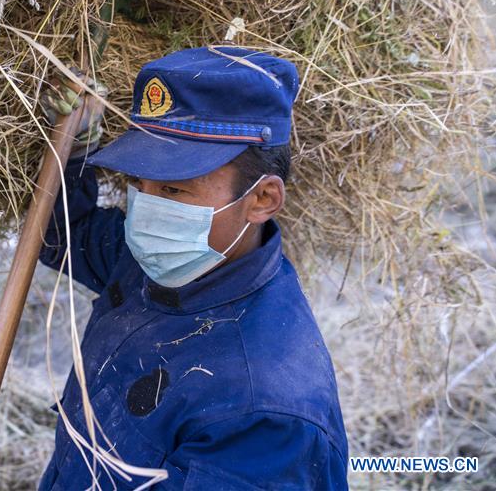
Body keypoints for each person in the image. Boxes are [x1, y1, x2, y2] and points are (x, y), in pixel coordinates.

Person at [37, 46, 349, 490]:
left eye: (174, 189)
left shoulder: (264, 414)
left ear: (263, 199)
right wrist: (74, 147)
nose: (145, 210)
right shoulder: (151, 260)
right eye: (136, 184)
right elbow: (64, 237)